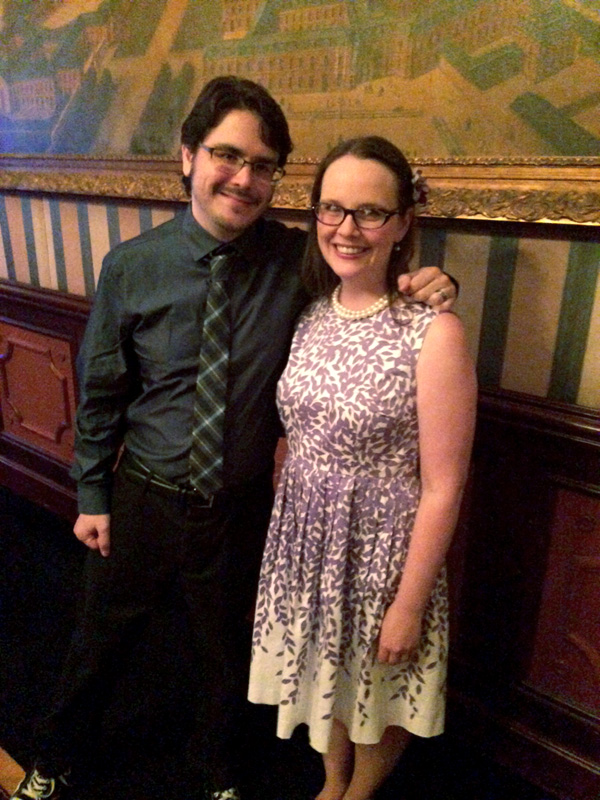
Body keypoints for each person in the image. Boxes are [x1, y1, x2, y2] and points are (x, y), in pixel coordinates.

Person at [11, 79, 457, 800]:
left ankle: (213, 771)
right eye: (228, 155)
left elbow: (367, 274)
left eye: (265, 164)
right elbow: (101, 392)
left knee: (226, 656)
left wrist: (435, 282)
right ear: (188, 157)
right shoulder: (132, 266)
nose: (245, 178)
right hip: (144, 496)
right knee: (98, 644)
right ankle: (55, 760)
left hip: (241, 506)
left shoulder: (295, 260)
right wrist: (92, 492)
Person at [248, 135, 477, 800]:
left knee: (378, 684)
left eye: (371, 212)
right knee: (330, 673)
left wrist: (408, 604)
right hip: (308, 540)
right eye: (332, 208)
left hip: (382, 552)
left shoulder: (434, 332)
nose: (347, 228)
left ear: (404, 221)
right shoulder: (313, 313)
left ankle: (360, 792)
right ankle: (332, 779)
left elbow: (444, 486)